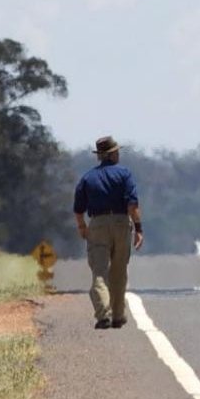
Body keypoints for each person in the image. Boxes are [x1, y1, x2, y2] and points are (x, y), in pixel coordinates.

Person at [73, 136, 144, 329]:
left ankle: (104, 314)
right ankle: (118, 315)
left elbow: (78, 209)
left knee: (99, 272)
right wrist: (138, 229)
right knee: (119, 272)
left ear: (99, 156)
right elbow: (133, 205)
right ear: (112, 154)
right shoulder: (124, 174)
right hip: (121, 223)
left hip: (97, 224)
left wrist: (82, 227)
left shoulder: (87, 178)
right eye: (117, 152)